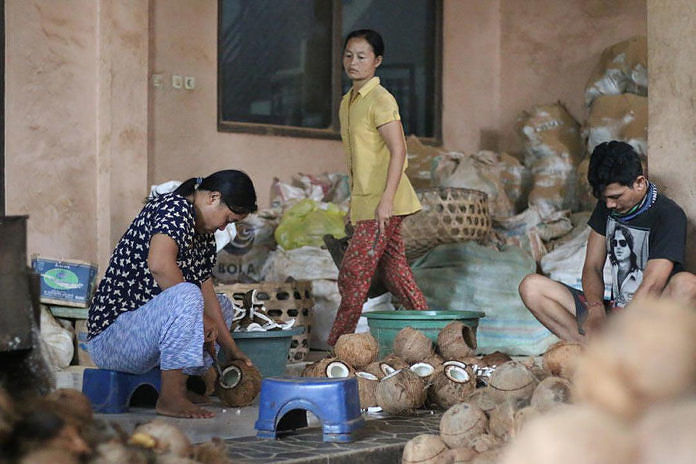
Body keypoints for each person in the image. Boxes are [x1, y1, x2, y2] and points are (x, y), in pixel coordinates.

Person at [87, 170, 257, 418]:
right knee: (187, 295)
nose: (224, 226)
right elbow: (159, 265)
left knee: (221, 304)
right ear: (213, 197)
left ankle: (184, 385)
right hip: (113, 340)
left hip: (145, 336)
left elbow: (206, 292)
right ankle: (171, 396)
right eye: (227, 218)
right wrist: (199, 316)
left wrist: (231, 350)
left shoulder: (204, 235)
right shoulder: (174, 208)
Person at [518, 141, 696, 342]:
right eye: (605, 199)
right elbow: (592, 266)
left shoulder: (668, 215)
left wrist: (624, 328)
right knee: (531, 287)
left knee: (687, 284)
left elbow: (652, 285)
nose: (610, 204)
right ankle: (596, 355)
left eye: (616, 196)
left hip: (649, 318)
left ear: (639, 182)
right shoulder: (608, 206)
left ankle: (628, 356)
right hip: (614, 311)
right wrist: (595, 310)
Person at [327, 29, 428, 346]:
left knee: (354, 272)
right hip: (366, 202)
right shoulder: (348, 102)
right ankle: (433, 336)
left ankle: (339, 344)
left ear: (377, 61)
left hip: (384, 202)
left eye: (361, 56)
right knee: (396, 272)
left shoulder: (381, 100)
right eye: (348, 55)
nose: (353, 62)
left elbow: (399, 151)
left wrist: (385, 202)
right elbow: (359, 161)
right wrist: (352, 205)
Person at [609, 224, 643, 307]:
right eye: (614, 243)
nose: (618, 247)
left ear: (630, 246)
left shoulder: (639, 276)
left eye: (622, 243)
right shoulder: (612, 269)